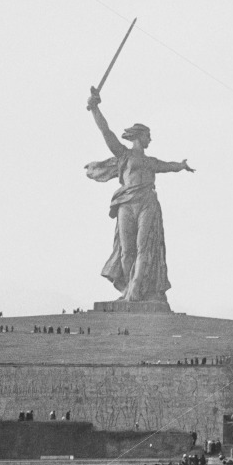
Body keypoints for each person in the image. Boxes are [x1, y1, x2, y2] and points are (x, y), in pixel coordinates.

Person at [85, 87, 195, 304]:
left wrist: (181, 166)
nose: (150, 140)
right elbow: (106, 132)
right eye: (148, 136)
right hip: (126, 203)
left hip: (147, 203)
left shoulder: (150, 161)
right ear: (139, 136)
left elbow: (167, 166)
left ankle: (135, 293)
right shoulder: (124, 154)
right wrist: (95, 109)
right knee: (127, 251)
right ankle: (128, 289)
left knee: (145, 247)